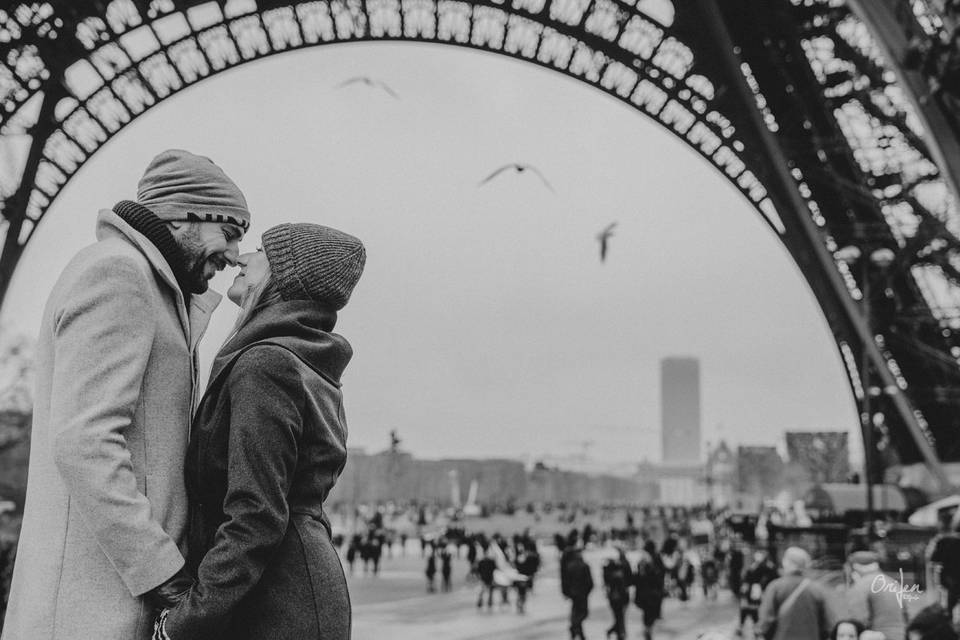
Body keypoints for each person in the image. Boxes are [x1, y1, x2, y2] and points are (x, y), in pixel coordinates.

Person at [1, 149, 249, 640]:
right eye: (231, 233)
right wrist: (163, 573)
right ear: (186, 217)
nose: (236, 256)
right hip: (96, 607)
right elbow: (85, 442)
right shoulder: (120, 274)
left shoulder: (142, 280)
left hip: (101, 597)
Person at [151, 222, 366, 640]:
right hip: (294, 590)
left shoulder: (265, 364)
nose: (242, 258)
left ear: (285, 279)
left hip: (274, 605)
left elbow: (256, 516)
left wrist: (184, 621)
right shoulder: (304, 363)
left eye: (262, 252)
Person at [758, 546, 837, 640]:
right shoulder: (816, 589)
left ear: (787, 563)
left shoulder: (775, 587)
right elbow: (828, 624)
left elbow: (766, 621)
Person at [845, 550, 907, 640]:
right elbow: (906, 615)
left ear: (854, 568)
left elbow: (858, 621)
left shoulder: (861, 585)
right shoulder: (892, 583)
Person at [738, 549, 779, 638]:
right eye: (757, 555)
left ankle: (760, 628)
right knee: (749, 609)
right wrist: (744, 592)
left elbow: (774, 578)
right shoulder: (753, 567)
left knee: (760, 610)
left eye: (760, 555)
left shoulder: (770, 567)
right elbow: (747, 579)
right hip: (754, 592)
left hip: (765, 592)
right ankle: (751, 627)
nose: (758, 557)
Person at [635, 539, 666, 640]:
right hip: (652, 593)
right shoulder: (653, 560)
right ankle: (648, 629)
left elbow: (637, 579)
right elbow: (660, 574)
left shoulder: (642, 561)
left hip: (645, 593)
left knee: (647, 613)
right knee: (651, 612)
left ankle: (647, 629)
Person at [562, 547, 594, 640]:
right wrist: (586, 592)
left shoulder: (569, 566)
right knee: (583, 613)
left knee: (576, 612)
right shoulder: (584, 566)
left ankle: (577, 631)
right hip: (582, 594)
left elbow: (566, 581)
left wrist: (568, 592)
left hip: (574, 594)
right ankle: (574, 627)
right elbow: (590, 583)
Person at [602, 545, 633, 640]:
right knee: (620, 615)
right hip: (619, 595)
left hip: (615, 595)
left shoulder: (609, 567)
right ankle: (620, 633)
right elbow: (630, 579)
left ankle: (617, 631)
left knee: (619, 615)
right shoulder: (620, 566)